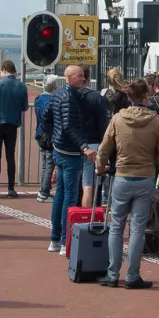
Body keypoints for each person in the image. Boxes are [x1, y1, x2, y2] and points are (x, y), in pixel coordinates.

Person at [95, 78, 159, 289]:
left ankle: (112, 274)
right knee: (137, 228)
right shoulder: (157, 121)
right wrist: (152, 160)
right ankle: (132, 274)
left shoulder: (118, 119)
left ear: (129, 97)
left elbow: (104, 149)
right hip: (145, 177)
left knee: (116, 226)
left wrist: (101, 167)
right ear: (146, 96)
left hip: (121, 175)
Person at [39, 64, 106, 253]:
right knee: (69, 196)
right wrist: (84, 147)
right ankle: (64, 240)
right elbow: (69, 126)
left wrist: (55, 137)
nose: (84, 79)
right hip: (70, 153)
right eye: (80, 76)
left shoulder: (58, 95)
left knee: (61, 194)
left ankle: (55, 238)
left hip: (60, 150)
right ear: (69, 78)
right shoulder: (69, 97)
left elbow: (46, 119)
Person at [0, 59, 29, 198]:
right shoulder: (21, 86)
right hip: (12, 124)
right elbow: (24, 107)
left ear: (4, 70)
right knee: (10, 156)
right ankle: (11, 188)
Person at [33, 74, 60, 201]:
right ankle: (44, 192)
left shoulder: (38, 98)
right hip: (47, 135)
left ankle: (43, 190)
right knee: (49, 163)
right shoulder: (50, 101)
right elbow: (47, 119)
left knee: (45, 163)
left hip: (40, 134)